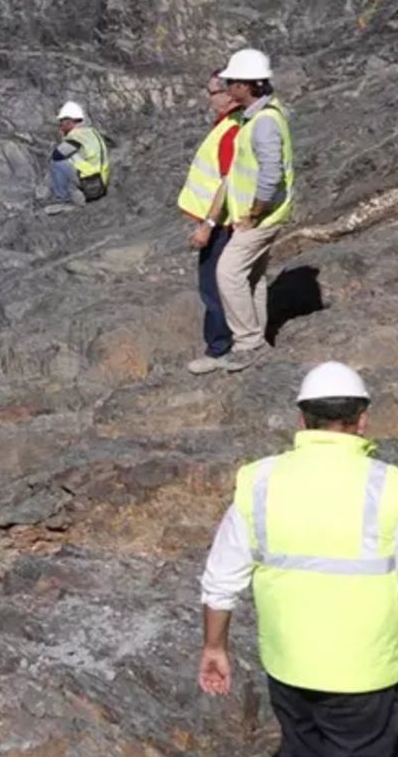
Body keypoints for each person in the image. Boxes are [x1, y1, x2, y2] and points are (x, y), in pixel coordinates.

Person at [199, 361, 398, 756]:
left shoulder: (259, 481)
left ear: (302, 419)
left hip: (288, 670)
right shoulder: (389, 486)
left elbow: (221, 579)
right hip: (366, 674)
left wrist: (214, 648)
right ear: (363, 420)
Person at [214, 48, 294, 371]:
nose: (228, 87)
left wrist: (255, 213)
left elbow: (271, 174)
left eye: (232, 82)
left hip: (263, 216)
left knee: (228, 271)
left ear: (246, 86)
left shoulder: (263, 123)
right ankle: (258, 339)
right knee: (253, 277)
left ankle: (248, 343)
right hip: (263, 214)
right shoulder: (261, 116)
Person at [180, 72, 242, 374]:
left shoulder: (231, 130)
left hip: (220, 224)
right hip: (219, 221)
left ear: (231, 93)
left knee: (213, 287)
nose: (210, 97)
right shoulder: (226, 126)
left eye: (214, 90)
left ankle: (219, 349)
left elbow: (227, 182)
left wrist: (207, 224)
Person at [44, 101, 110, 215]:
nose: (61, 126)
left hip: (91, 183)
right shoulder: (90, 131)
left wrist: (62, 138)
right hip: (101, 181)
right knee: (71, 160)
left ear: (69, 121)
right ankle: (71, 193)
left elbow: (57, 155)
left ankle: (64, 199)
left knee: (56, 163)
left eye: (62, 123)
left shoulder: (76, 135)